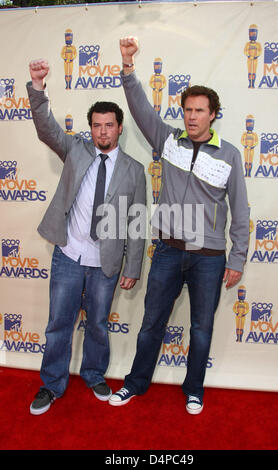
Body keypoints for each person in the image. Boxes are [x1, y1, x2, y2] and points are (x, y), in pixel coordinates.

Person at [109, 37, 249, 415]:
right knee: (151, 323)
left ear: (213, 114)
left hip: (209, 258)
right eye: (187, 109)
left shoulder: (231, 154)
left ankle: (194, 390)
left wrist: (237, 258)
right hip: (168, 250)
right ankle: (135, 384)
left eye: (200, 111)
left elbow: (241, 209)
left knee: (201, 330)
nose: (191, 116)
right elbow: (139, 109)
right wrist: (127, 67)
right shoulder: (169, 140)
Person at [27, 59, 146, 415]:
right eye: (96, 125)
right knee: (59, 323)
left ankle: (94, 373)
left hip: (105, 261)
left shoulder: (134, 170)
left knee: (96, 323)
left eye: (109, 125)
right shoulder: (75, 150)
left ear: (120, 128)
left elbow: (137, 222)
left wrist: (134, 266)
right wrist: (37, 88)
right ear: (90, 128)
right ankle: (51, 385)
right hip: (69, 253)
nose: (103, 132)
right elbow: (47, 129)